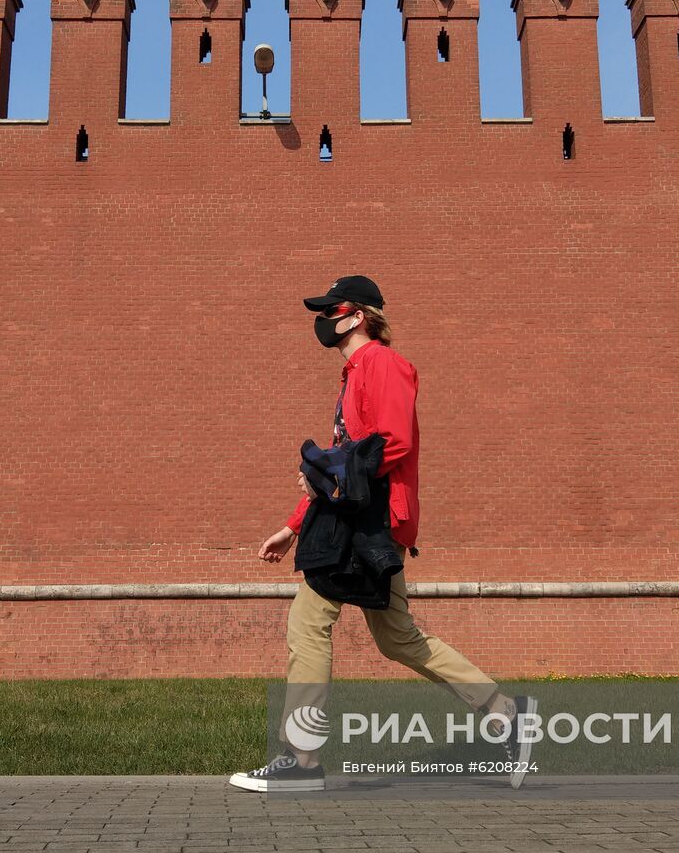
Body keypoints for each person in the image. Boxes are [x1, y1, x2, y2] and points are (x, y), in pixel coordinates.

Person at [228, 275, 536, 793]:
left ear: (359, 315)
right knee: (398, 638)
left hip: (368, 523)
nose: (323, 321)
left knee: (308, 622)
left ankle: (301, 760)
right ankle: (506, 713)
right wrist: (293, 524)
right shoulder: (354, 374)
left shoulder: (384, 365)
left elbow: (391, 444)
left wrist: (327, 470)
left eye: (332, 310)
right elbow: (344, 462)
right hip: (353, 519)